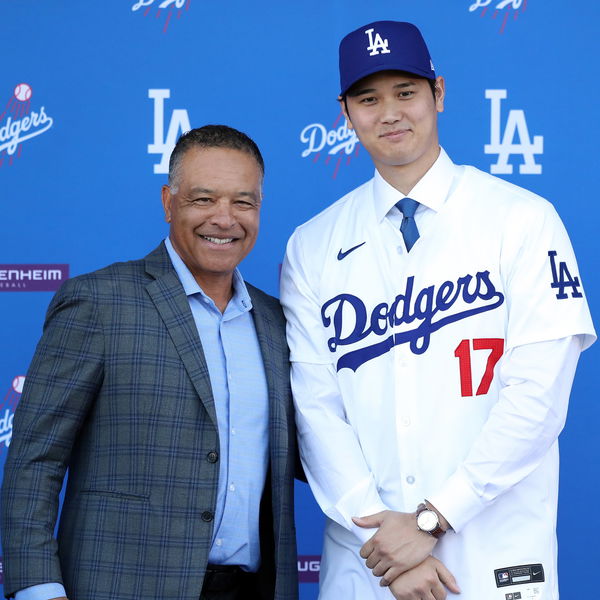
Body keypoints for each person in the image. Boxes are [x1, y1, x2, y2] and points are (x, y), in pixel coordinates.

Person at [280, 20, 595, 600]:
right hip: (368, 562)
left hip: (494, 555)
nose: (390, 113)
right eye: (368, 99)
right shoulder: (312, 244)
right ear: (345, 113)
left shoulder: (523, 218)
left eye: (406, 92)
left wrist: (432, 520)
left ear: (439, 93)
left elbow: (537, 397)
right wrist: (387, 544)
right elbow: (317, 410)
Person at [1, 125, 298, 600]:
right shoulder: (98, 302)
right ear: (168, 202)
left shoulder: (277, 322)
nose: (225, 219)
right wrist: (39, 588)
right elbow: (35, 460)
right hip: (121, 587)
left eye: (243, 202)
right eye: (204, 199)